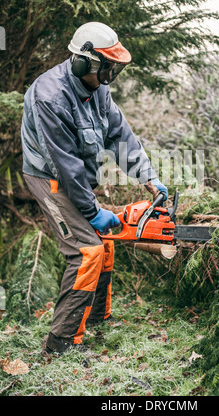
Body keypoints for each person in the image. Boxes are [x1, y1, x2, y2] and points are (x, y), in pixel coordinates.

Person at [21, 21, 168, 354]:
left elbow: (119, 134)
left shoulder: (98, 89)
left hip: (75, 175)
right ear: (83, 62)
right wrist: (91, 211)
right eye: (107, 65)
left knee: (105, 240)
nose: (112, 72)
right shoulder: (50, 97)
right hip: (49, 177)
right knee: (86, 250)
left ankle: (96, 317)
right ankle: (60, 342)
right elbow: (65, 165)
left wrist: (147, 175)